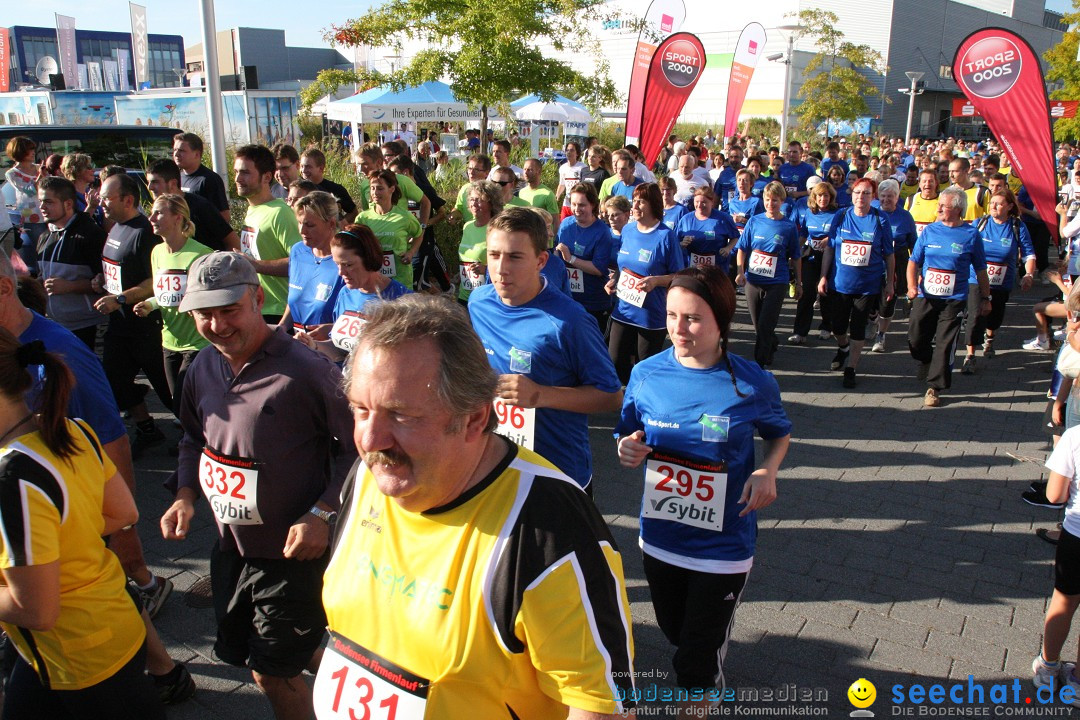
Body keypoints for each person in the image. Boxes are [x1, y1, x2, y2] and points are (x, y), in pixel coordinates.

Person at [318, 294, 635, 719]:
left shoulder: (547, 528)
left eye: (401, 415)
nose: (370, 441)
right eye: (360, 410)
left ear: (473, 419)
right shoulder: (366, 478)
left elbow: (601, 706)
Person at [160, 252, 357, 720]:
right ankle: (368, 680)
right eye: (204, 313)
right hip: (231, 546)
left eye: (229, 310)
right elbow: (192, 437)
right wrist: (186, 494)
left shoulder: (308, 370)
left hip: (293, 554)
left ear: (256, 298)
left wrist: (323, 513)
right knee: (261, 650)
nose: (217, 324)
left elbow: (359, 448)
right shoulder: (202, 368)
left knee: (270, 673)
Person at [615, 265, 791, 709]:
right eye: (672, 316)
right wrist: (627, 449)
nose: (678, 329)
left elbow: (778, 434)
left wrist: (767, 470)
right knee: (675, 633)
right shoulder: (646, 373)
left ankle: (701, 688)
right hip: (660, 538)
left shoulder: (751, 381)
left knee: (694, 660)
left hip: (723, 546)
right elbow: (627, 433)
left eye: (692, 318)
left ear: (721, 321)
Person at [0, 331, 166, 719]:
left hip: (81, 658)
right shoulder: (72, 429)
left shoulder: (11, 477)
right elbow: (125, 514)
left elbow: (38, 610)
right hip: (113, 628)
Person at [469, 206, 622, 492]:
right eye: (494, 255)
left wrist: (539, 395)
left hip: (557, 472)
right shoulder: (478, 303)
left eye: (515, 257)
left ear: (541, 260)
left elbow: (611, 397)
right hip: (497, 463)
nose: (501, 268)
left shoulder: (569, 321)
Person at [92, 172, 171, 457]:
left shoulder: (144, 232)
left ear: (127, 199)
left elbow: (155, 281)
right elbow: (117, 269)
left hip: (146, 324)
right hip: (119, 323)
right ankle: (147, 428)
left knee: (168, 389)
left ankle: (197, 436)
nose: (101, 202)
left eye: (106, 198)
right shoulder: (114, 228)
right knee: (114, 379)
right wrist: (102, 282)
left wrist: (121, 297)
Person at [131, 193, 212, 427]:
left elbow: (210, 298)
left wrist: (196, 306)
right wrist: (150, 304)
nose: (151, 217)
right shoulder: (157, 252)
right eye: (152, 212)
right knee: (178, 404)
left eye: (158, 212)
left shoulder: (201, 254)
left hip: (198, 342)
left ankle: (201, 448)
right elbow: (164, 294)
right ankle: (193, 445)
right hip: (169, 340)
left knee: (187, 404)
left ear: (178, 217)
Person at [907, 187, 990, 407]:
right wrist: (911, 286)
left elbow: (981, 269)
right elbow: (914, 261)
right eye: (939, 204)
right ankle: (925, 359)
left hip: (954, 298)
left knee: (945, 343)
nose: (939, 208)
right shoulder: (930, 231)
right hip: (926, 295)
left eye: (944, 205)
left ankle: (934, 388)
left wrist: (986, 297)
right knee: (915, 337)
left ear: (958, 208)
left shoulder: (971, 234)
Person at [817, 177, 894, 388]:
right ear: (851, 194)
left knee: (858, 327)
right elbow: (831, 248)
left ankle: (851, 368)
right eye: (858, 192)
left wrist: (889, 282)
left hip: (867, 285)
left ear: (873, 196)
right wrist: (823, 276)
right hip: (840, 283)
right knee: (838, 327)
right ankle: (843, 348)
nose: (861, 197)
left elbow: (889, 254)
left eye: (866, 193)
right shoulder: (841, 216)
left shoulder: (880, 220)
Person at [296, 224, 411, 362]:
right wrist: (312, 345)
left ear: (368, 258)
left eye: (348, 265)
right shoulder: (345, 294)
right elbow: (340, 350)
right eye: (337, 264)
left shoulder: (402, 300)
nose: (341, 272)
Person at [607, 183, 686, 383]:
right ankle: (627, 399)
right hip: (623, 310)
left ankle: (642, 405)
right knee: (615, 361)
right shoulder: (628, 230)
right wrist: (614, 280)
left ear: (653, 205)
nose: (635, 205)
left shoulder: (665, 236)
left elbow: (679, 275)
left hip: (650, 316)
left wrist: (657, 281)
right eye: (634, 201)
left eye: (641, 201)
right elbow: (623, 265)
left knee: (645, 369)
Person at [961, 189, 1036, 372]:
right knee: (974, 315)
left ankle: (990, 337)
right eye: (992, 203)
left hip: (1002, 280)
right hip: (976, 278)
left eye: (999, 203)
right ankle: (970, 355)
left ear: (1010, 206)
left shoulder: (1017, 227)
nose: (993, 206)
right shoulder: (980, 223)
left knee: (994, 315)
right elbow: (965, 246)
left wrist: (1029, 275)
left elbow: (1029, 254)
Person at [1032, 420, 1080, 696]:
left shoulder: (1074, 437)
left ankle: (1048, 667)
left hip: (1076, 536)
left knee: (1064, 601)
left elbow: (1054, 495)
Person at [735, 182, 802, 368]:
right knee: (758, 326)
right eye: (767, 200)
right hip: (753, 281)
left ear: (781, 201)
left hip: (777, 282)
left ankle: (759, 364)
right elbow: (742, 249)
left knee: (766, 324)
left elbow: (796, 257)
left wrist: (799, 283)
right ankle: (771, 342)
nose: (770, 204)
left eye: (774, 200)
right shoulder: (754, 221)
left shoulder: (788, 226)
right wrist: (740, 272)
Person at [35, 176, 107, 349]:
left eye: (48, 202)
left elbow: (108, 283)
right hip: (57, 324)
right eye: (40, 202)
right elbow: (42, 276)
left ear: (67, 204)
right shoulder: (45, 236)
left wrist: (70, 286)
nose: (42, 207)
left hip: (89, 325)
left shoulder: (90, 234)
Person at [234, 144, 302, 323]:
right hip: (257, 308)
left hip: (281, 311)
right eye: (236, 172)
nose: (238, 178)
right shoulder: (252, 210)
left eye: (245, 172)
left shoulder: (280, 213)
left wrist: (255, 265)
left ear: (266, 177)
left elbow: (302, 261)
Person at [279, 191, 343, 337]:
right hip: (300, 349)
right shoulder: (298, 251)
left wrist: (332, 330)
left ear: (331, 223)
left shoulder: (346, 260)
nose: (302, 230)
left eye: (309, 225)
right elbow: (297, 299)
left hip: (333, 353)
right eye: (300, 223)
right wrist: (281, 327)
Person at [146, 159, 239, 252]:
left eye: (155, 182)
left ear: (173, 183)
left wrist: (222, 264)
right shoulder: (156, 210)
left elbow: (233, 241)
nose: (150, 187)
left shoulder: (200, 206)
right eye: (148, 182)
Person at [556, 183, 615, 330]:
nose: (576, 209)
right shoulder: (566, 225)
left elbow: (598, 269)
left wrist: (571, 259)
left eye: (582, 205)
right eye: (573, 204)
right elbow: (558, 249)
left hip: (593, 302)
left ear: (593, 205)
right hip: (568, 298)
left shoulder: (602, 232)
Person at [872, 179, 918, 353]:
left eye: (890, 196)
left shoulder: (905, 217)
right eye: (882, 196)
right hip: (873, 259)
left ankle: (881, 334)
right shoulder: (872, 211)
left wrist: (917, 269)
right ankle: (872, 318)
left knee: (887, 300)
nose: (885, 200)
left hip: (896, 260)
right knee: (869, 298)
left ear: (897, 197)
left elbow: (913, 244)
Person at [358, 169, 423, 291]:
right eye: (372, 188)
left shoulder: (405, 217)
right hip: (374, 279)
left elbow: (418, 235)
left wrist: (411, 253)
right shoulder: (363, 218)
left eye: (380, 188)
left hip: (400, 279)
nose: (375, 192)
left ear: (392, 189)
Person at [790, 181, 837, 344]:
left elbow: (843, 234)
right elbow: (803, 235)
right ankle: (800, 331)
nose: (822, 199)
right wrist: (793, 252)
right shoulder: (810, 213)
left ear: (830, 197)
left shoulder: (837, 213)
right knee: (807, 293)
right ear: (814, 197)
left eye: (826, 195)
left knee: (826, 293)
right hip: (811, 256)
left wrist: (829, 239)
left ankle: (826, 327)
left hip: (831, 258)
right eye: (819, 196)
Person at [675, 186, 739, 276]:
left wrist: (728, 248)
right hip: (692, 269)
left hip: (717, 269)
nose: (699, 205)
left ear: (712, 202)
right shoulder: (686, 219)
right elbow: (675, 241)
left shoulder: (723, 218)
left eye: (704, 202)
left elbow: (735, 237)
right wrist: (682, 244)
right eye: (697, 202)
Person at [458, 180, 503, 304]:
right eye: (472, 200)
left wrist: (486, 269)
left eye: (479, 200)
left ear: (491, 203)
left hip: (487, 296)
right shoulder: (467, 226)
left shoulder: (497, 229)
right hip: (465, 294)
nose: (474, 204)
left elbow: (506, 262)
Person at [5, 136, 45, 275]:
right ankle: (42, 276)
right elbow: (28, 191)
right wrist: (40, 177)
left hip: (49, 211)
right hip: (30, 215)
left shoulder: (39, 168)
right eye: (30, 150)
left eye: (33, 149)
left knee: (51, 246)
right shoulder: (12, 173)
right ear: (21, 152)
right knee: (39, 248)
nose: (33, 152)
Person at [172, 132, 230, 222]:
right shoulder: (177, 177)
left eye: (181, 150)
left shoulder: (209, 179)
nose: (176, 154)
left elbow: (224, 217)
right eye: (175, 150)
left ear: (197, 154)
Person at [299, 148, 357, 223]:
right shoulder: (297, 189)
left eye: (308, 167)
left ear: (321, 168)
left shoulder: (335, 189)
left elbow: (353, 212)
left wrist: (339, 225)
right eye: (302, 166)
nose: (303, 170)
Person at [60, 152, 104, 226]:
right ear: (77, 171)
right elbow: (75, 226)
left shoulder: (91, 193)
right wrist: (90, 208)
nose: (93, 170)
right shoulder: (67, 197)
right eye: (89, 167)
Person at [449, 154, 492, 225]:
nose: (471, 172)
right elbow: (459, 209)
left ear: (486, 173)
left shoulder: (491, 191)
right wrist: (453, 215)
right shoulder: (464, 188)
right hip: (470, 231)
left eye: (476, 169)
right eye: (470, 168)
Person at [948, 158, 989, 222]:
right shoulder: (946, 192)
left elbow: (990, 217)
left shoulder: (982, 191)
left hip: (975, 230)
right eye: (949, 171)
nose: (951, 175)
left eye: (955, 171)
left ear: (966, 171)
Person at [556, 141, 586, 220]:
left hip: (578, 204)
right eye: (567, 150)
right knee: (564, 226)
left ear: (577, 153)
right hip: (566, 204)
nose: (569, 152)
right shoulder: (563, 168)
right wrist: (556, 197)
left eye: (572, 150)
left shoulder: (583, 167)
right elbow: (562, 184)